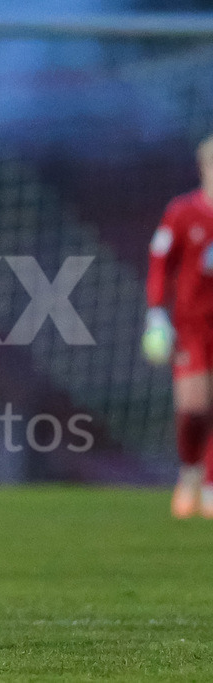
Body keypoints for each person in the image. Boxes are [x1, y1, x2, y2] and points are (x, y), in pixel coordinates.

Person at [144, 134, 213, 519]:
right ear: (203, 168)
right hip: (191, 326)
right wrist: (156, 313)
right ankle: (189, 472)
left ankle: (210, 485)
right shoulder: (182, 212)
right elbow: (159, 263)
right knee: (194, 406)